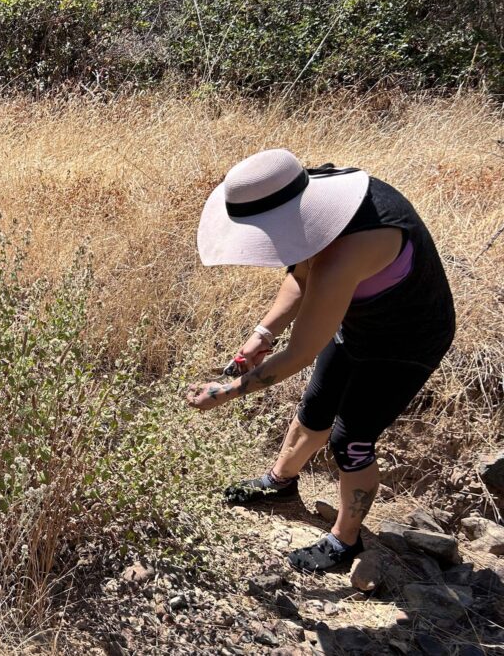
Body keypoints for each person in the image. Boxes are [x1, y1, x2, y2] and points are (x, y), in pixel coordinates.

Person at [185, 149, 455, 573]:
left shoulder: (351, 247)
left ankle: (344, 540)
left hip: (407, 341)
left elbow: (300, 353)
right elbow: (301, 275)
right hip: (359, 322)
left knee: (351, 442)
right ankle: (279, 485)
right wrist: (262, 333)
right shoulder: (314, 205)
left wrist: (227, 392)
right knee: (314, 410)